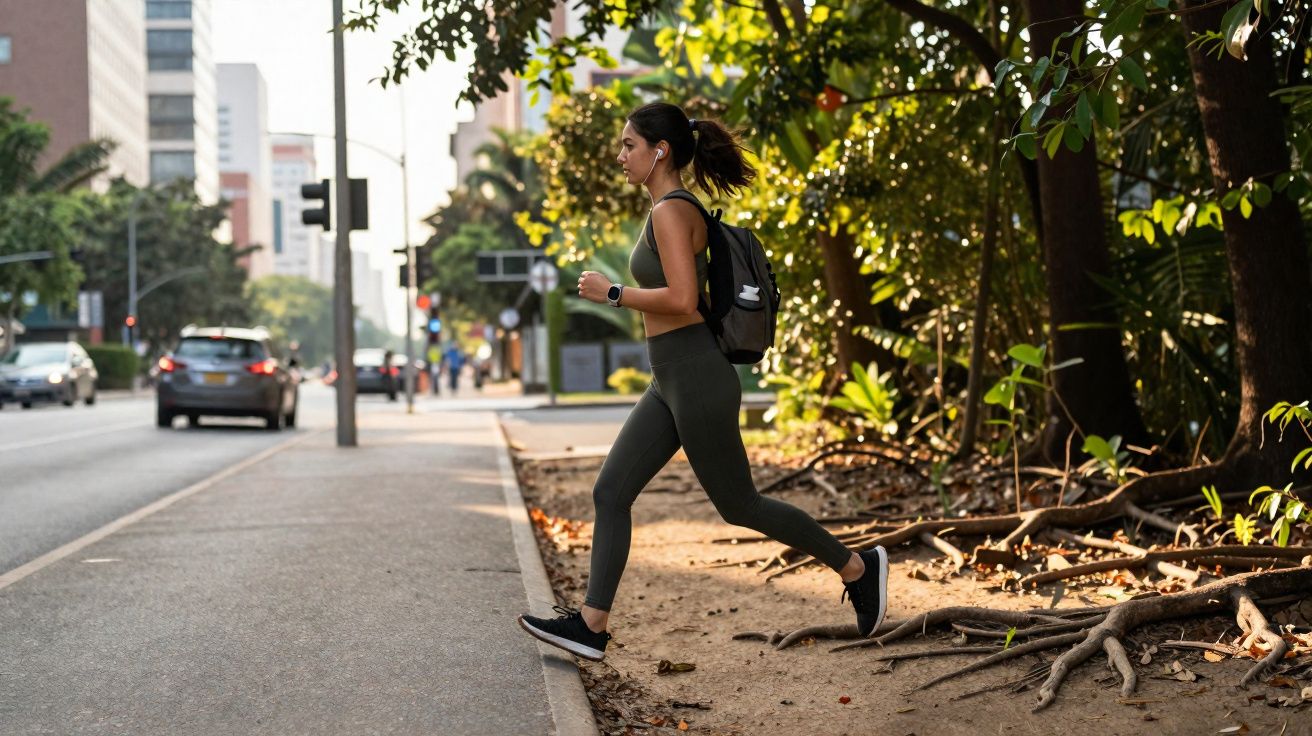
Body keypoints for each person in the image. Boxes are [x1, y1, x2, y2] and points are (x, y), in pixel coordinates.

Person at [517, 102, 889, 663]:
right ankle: (591, 626)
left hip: (695, 374)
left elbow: (684, 300)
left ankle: (858, 567)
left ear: (660, 151)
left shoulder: (672, 210)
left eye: (629, 145)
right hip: (669, 377)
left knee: (740, 505)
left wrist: (612, 293)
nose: (621, 156)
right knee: (610, 492)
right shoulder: (665, 209)